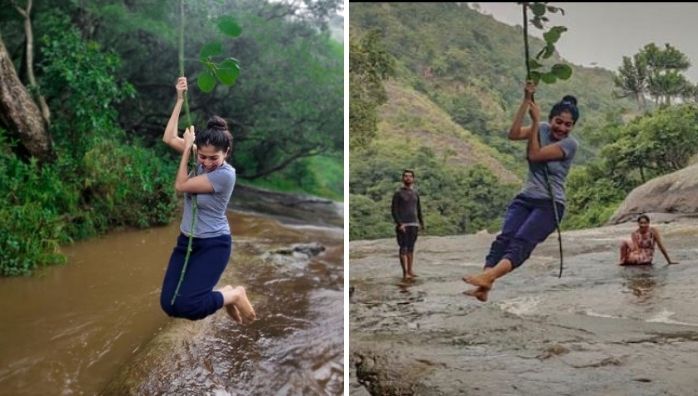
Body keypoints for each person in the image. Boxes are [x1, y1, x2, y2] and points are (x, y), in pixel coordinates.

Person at [463, 82, 579, 302]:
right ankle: (484, 286)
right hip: (526, 198)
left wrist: (535, 122)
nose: (562, 128)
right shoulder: (543, 128)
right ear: (551, 118)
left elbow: (534, 156)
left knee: (521, 242)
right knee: (503, 239)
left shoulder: (570, 145)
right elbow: (513, 134)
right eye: (558, 122)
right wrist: (526, 100)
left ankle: (488, 277)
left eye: (568, 125)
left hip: (550, 204)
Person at [159, 76, 256, 323]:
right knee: (169, 304)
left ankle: (233, 295)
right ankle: (224, 295)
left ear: (226, 153)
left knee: (191, 307)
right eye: (202, 157)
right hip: (187, 242)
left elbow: (181, 185)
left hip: (213, 244)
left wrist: (189, 151)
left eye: (214, 158)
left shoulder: (225, 175)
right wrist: (179, 100)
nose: (206, 162)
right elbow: (169, 138)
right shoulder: (198, 155)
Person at [391, 169, 425, 281]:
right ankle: (405, 272)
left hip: (414, 224)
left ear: (413, 179)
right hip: (403, 225)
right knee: (403, 248)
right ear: (402, 178)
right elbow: (394, 210)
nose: (408, 178)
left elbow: (418, 209)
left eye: (410, 176)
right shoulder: (398, 193)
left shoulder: (415, 193)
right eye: (406, 176)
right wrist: (399, 224)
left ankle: (410, 270)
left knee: (411, 248)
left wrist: (421, 223)